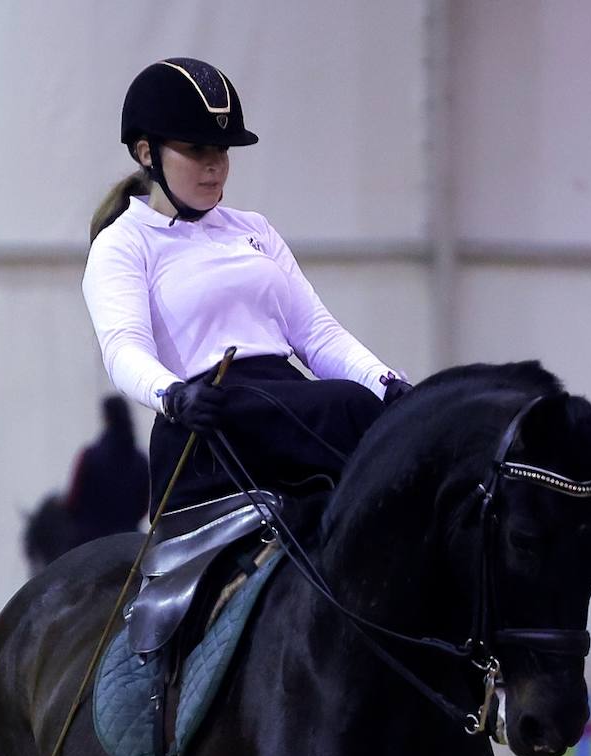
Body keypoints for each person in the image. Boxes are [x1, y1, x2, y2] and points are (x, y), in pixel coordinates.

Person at [82, 57, 410, 519]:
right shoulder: (123, 243)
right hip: (208, 420)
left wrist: (389, 385)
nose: (215, 165)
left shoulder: (254, 229)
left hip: (287, 406)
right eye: (197, 149)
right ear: (145, 152)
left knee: (390, 419)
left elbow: (317, 333)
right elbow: (122, 350)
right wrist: (173, 396)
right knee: (351, 407)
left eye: (223, 150)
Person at [65, 395, 149, 543]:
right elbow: (145, 504)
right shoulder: (140, 460)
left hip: (90, 543)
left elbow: (73, 501)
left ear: (106, 418)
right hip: (129, 541)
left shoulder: (89, 456)